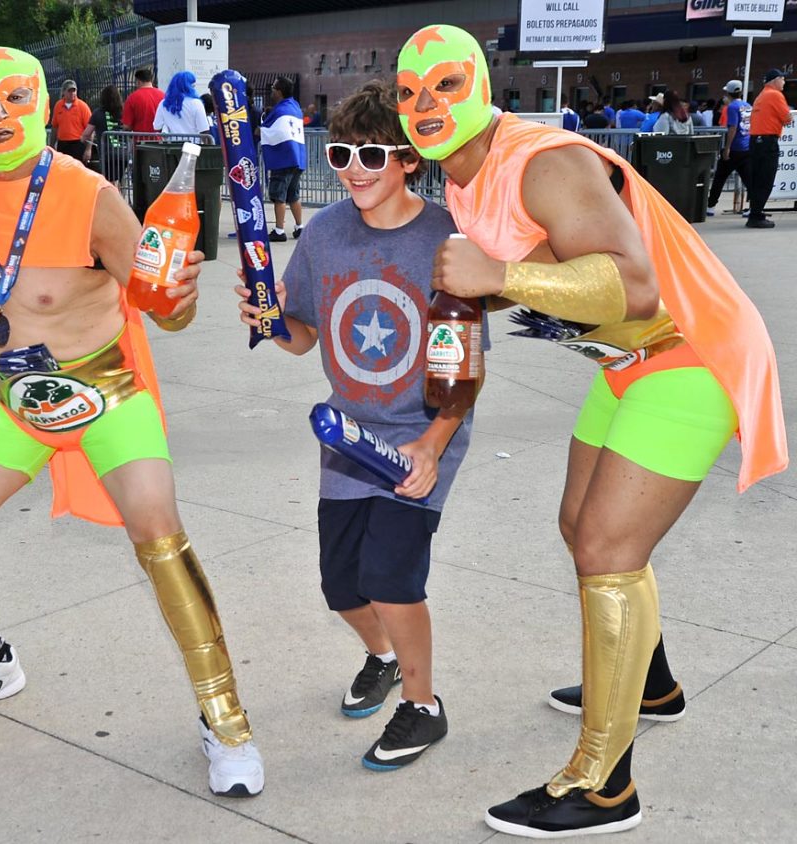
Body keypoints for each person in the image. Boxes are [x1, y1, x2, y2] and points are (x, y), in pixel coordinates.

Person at [396, 24, 785, 838]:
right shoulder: (464, 177)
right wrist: (480, 296)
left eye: (443, 85)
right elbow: (553, 267)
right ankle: (652, 684)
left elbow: (633, 285)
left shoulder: (542, 161)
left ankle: (603, 784)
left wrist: (495, 276)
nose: (424, 106)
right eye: (409, 93)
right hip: (624, 365)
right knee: (579, 527)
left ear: (481, 87)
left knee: (610, 551)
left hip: (688, 355)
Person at [0, 45, 266, 799]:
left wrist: (181, 294)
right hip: (15, 399)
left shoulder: (88, 196)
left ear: (40, 104)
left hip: (104, 393)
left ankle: (225, 720)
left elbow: (167, 307)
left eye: (13, 98)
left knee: (161, 539)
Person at [237, 79, 478, 772]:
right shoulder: (322, 232)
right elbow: (304, 335)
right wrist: (270, 320)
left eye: (373, 156)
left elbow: (463, 368)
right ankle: (381, 656)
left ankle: (423, 705)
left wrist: (432, 447)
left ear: (409, 160)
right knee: (343, 585)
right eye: (342, 154)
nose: (353, 170)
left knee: (392, 576)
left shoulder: (443, 240)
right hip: (347, 436)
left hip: (421, 428)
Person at [261, 75, 307, 242]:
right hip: (298, 157)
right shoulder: (295, 107)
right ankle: (299, 227)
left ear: (279, 92)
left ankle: (279, 230)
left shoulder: (280, 110)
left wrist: (259, 130)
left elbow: (269, 131)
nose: (272, 91)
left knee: (279, 195)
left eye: (273, 88)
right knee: (293, 195)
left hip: (284, 158)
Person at [745, 69, 793, 229]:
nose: (784, 83)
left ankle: (755, 212)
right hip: (767, 141)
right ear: (775, 80)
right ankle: (756, 215)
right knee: (765, 179)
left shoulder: (761, 95)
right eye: (783, 79)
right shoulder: (775, 95)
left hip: (756, 140)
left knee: (757, 178)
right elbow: (787, 117)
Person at [707, 80, 751, 215]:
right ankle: (753, 206)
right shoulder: (748, 106)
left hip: (734, 147)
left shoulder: (731, 107)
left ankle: (710, 206)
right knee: (749, 179)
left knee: (720, 177)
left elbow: (733, 127)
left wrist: (727, 148)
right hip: (746, 147)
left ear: (728, 93)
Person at [80, 83, 126, 184]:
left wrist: (82, 138)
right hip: (124, 152)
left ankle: (114, 198)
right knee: (121, 182)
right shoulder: (123, 111)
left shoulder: (98, 113)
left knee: (110, 182)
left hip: (108, 153)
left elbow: (87, 133)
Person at [153, 71, 209, 138]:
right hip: (192, 145)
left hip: (171, 145)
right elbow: (204, 129)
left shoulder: (163, 104)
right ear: (189, 86)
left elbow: (157, 126)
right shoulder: (196, 103)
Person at [50, 79, 91, 161]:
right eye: (69, 91)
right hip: (62, 144)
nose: (72, 93)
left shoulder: (83, 106)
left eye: (74, 91)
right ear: (63, 92)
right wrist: (51, 146)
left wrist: (88, 149)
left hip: (78, 144)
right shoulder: (58, 106)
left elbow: (90, 129)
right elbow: (55, 127)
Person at [121, 67, 164, 135]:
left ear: (138, 81)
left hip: (140, 141)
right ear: (151, 80)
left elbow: (127, 126)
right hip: (160, 141)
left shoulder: (132, 98)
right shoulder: (163, 96)